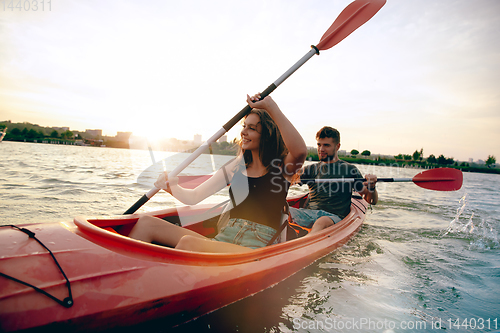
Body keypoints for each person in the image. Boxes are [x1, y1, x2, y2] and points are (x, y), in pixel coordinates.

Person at [129, 93, 307, 253]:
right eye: (244, 126)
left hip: (255, 247)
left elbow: (299, 151)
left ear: (267, 135)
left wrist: (270, 106)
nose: (244, 132)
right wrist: (171, 187)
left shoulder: (282, 167)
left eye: (252, 128)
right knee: (146, 223)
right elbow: (193, 197)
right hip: (225, 238)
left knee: (188, 243)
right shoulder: (235, 166)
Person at [290, 126, 378, 235]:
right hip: (308, 214)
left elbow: (371, 201)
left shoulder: (349, 170)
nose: (321, 149)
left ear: (337, 146)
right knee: (282, 211)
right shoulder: (310, 169)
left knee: (322, 221)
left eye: (326, 145)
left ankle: (303, 246)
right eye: (319, 145)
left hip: (333, 218)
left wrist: (372, 187)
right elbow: (286, 182)